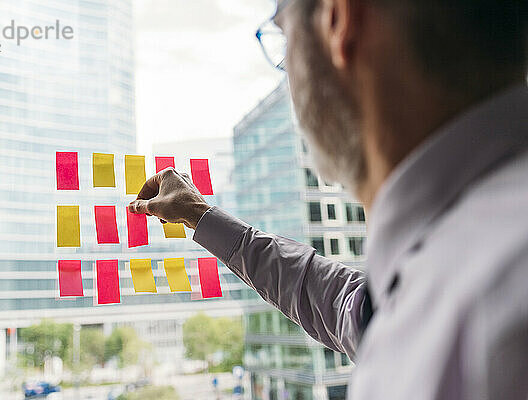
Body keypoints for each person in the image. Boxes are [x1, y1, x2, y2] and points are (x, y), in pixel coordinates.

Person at [129, 0, 528, 398]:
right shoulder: (444, 273)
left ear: (339, 21)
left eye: (282, 37)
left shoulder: (488, 314)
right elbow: (341, 305)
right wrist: (201, 216)